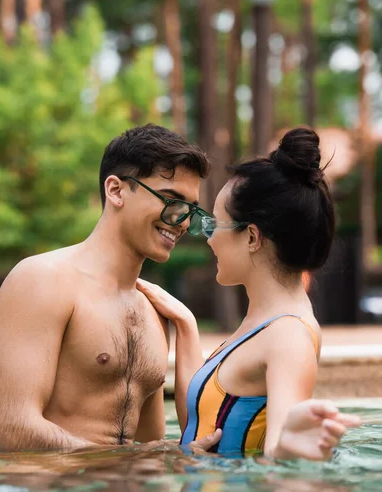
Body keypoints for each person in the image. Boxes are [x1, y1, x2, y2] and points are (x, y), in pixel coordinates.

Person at [137, 127, 361, 460]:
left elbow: (277, 454)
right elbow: (203, 423)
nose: (208, 238)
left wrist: (289, 447)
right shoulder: (266, 321)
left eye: (214, 225)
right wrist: (186, 325)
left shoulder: (287, 335)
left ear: (252, 238)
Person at [0, 124, 213, 452]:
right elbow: (16, 430)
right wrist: (130, 460)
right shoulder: (41, 280)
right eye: (170, 201)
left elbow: (148, 444)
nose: (180, 221)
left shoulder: (153, 312)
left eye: (190, 211)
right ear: (116, 190)